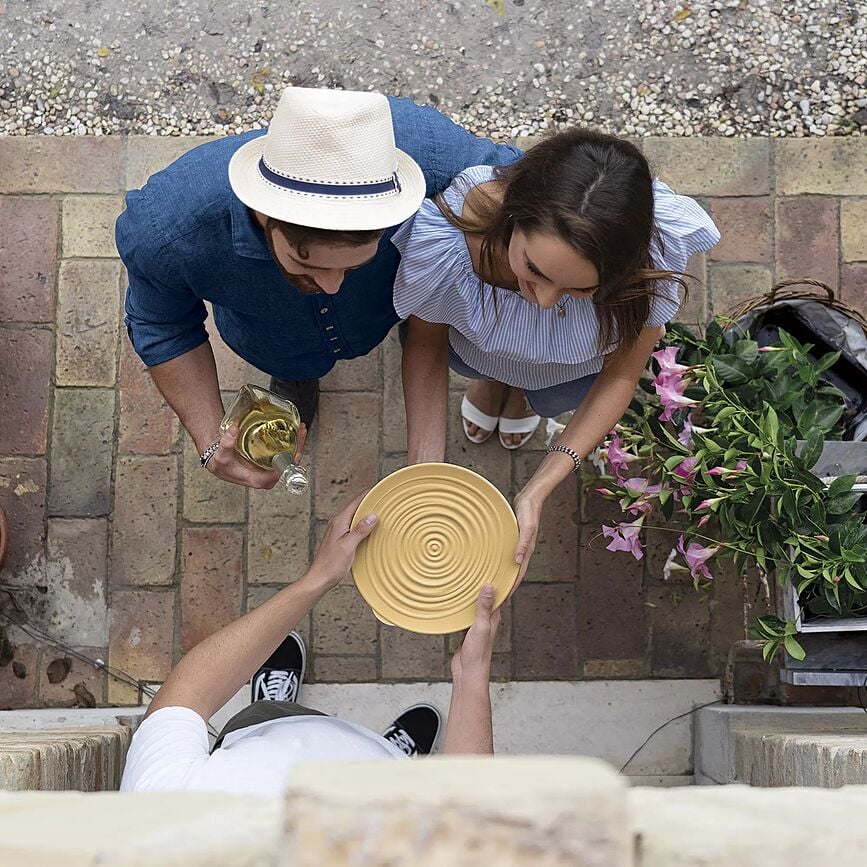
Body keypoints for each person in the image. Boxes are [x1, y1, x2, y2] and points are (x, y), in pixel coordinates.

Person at [115, 85, 520, 491]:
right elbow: (162, 324)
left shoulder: (426, 148)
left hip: (382, 312)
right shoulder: (166, 227)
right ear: (264, 212)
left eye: (357, 263)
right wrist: (208, 439)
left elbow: (536, 188)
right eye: (306, 262)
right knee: (292, 366)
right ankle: (296, 379)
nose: (331, 286)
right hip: (272, 339)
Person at [395, 128, 720, 582]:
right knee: (481, 364)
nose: (545, 302)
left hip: (570, 369)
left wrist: (538, 488)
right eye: (533, 269)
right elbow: (427, 343)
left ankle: (518, 396)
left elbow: (622, 375)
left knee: (544, 395)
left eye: (581, 289)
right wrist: (422, 474)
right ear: (514, 214)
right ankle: (493, 385)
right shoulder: (447, 240)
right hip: (479, 348)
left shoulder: (651, 247)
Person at [120, 494, 502, 794]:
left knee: (268, 714)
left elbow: (184, 698)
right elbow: (464, 810)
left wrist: (316, 580)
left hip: (272, 731)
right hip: (394, 787)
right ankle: (394, 755)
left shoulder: (165, 818)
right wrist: (471, 675)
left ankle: (271, 703)